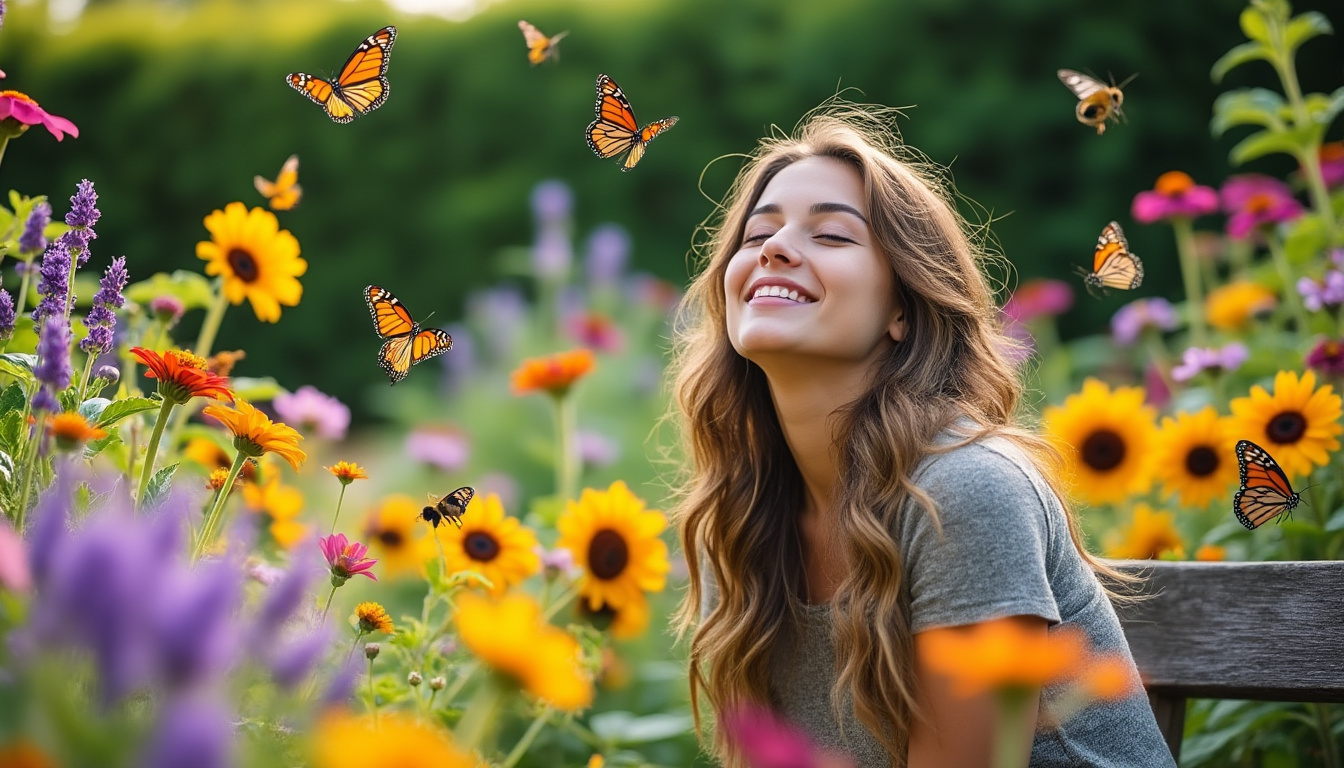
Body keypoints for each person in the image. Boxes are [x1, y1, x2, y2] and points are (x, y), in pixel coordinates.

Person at [667, 104, 1176, 768]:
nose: (774, 247)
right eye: (757, 232)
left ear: (902, 308)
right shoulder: (743, 517)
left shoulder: (965, 491)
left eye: (832, 235)